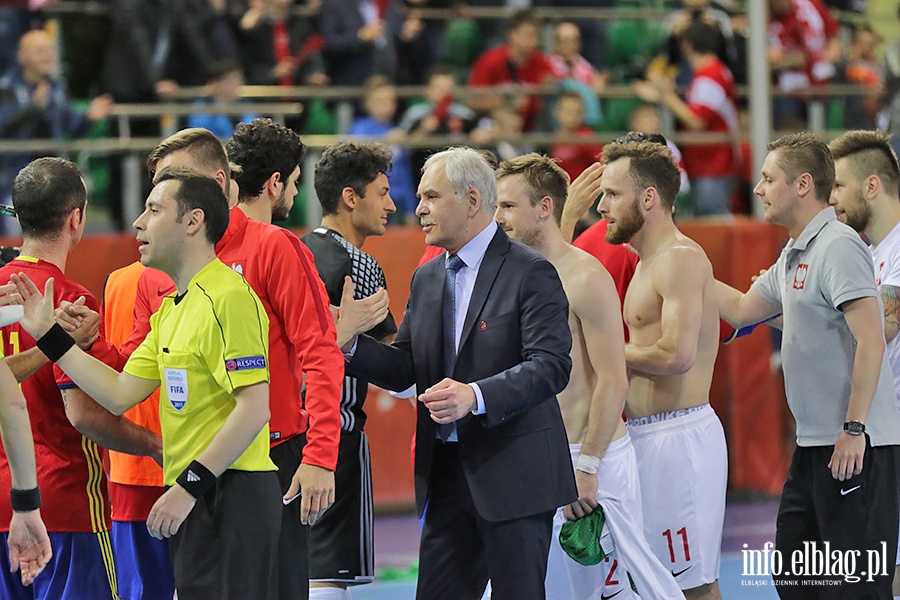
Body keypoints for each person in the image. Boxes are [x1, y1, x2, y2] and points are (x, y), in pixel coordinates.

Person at [14, 170, 283, 599]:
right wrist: (50, 338)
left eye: (154, 210)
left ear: (193, 222)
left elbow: (254, 408)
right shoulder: (171, 309)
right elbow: (119, 393)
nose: (138, 222)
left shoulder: (229, 296)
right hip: (194, 492)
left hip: (233, 491)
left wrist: (189, 485)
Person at [344, 146, 576, 599]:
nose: (419, 208)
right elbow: (409, 368)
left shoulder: (531, 272)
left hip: (516, 478)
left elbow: (551, 366)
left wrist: (476, 396)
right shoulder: (427, 277)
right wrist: (350, 343)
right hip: (447, 477)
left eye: (431, 196)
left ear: (471, 201)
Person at [717, 132, 900, 597]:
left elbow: (873, 340)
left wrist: (855, 430)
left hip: (858, 444)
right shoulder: (796, 251)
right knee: (796, 577)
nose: (757, 189)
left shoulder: (838, 245)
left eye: (767, 178)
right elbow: (741, 310)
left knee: (853, 588)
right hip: (816, 444)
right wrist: (676, 258)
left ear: (801, 185)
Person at [494, 154, 682, 599]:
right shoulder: (504, 276)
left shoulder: (583, 277)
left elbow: (614, 380)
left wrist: (587, 465)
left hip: (590, 459)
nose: (497, 218)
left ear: (544, 208)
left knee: (621, 593)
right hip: (536, 456)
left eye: (507, 206)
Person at [0, 158, 162, 599]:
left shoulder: (1, 288)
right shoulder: (68, 299)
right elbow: (85, 415)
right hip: (66, 505)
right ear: (77, 218)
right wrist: (156, 447)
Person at [597, 140, 727, 600]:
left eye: (612, 194)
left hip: (679, 440)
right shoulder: (649, 261)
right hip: (646, 437)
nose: (601, 205)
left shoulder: (680, 259)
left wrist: (606, 349)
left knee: (691, 586)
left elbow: (676, 355)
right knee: (648, 583)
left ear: (648, 198)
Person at [223, 118, 345, 600]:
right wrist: (320, 457)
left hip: (204, 454)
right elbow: (322, 354)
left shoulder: (195, 246)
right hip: (271, 454)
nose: (294, 193)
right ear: (275, 183)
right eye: (294, 182)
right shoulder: (278, 245)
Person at [301, 140, 397, 599]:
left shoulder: (293, 252)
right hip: (333, 435)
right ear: (350, 197)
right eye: (381, 192)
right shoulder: (358, 265)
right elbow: (396, 367)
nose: (392, 204)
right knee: (327, 575)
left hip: (274, 431)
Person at [827, 129, 900, 597]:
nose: (830, 199)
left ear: (871, 186)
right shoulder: (873, 254)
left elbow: (881, 329)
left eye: (837, 186)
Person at [0, 30, 113, 226]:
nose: (48, 56)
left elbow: (72, 126)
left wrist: (88, 117)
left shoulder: (56, 87)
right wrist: (33, 109)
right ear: (22, 56)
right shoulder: (7, 87)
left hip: (52, 181)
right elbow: (3, 126)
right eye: (40, 51)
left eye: (50, 50)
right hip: (13, 180)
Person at [634, 20, 738, 216]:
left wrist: (665, 94)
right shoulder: (709, 73)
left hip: (714, 163)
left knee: (712, 220)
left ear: (687, 46)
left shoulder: (711, 75)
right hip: (708, 161)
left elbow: (696, 120)